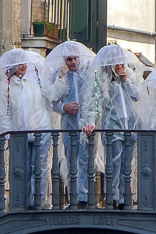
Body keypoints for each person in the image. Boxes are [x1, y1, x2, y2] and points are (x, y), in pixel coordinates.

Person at [81, 45, 147, 209]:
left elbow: (137, 95)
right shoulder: (102, 80)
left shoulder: (128, 77)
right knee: (114, 163)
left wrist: (125, 81)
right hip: (112, 126)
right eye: (116, 64)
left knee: (127, 163)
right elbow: (94, 103)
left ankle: (126, 198)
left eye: (121, 63)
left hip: (130, 125)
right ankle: (113, 196)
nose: (119, 66)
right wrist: (90, 121)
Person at [0, 49, 52, 209]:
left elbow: (52, 96)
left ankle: (37, 201)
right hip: (19, 133)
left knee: (39, 167)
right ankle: (21, 202)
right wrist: (10, 133)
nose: (23, 66)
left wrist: (61, 78)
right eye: (19, 63)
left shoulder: (37, 81)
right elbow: (4, 113)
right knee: (21, 168)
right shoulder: (6, 87)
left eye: (25, 63)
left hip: (41, 129)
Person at [48, 41, 95, 208]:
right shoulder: (58, 77)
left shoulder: (88, 76)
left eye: (75, 58)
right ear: (65, 61)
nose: (73, 62)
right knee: (71, 161)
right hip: (68, 125)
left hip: (85, 126)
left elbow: (93, 100)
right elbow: (53, 101)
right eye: (69, 59)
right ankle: (73, 197)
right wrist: (64, 107)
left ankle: (85, 197)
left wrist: (90, 121)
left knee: (85, 160)